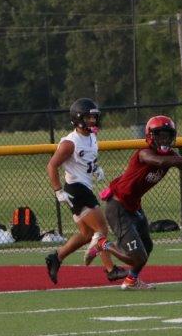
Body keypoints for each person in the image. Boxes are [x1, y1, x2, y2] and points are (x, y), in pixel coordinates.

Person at [101, 115, 182, 290]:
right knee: (138, 257)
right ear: (150, 136)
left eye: (167, 135)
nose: (164, 139)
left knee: (147, 246)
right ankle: (102, 244)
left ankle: (131, 280)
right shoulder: (144, 152)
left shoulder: (171, 155)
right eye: (159, 135)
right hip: (118, 206)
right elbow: (160, 161)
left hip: (134, 206)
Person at [44, 98, 129, 285]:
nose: (93, 121)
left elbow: (87, 159)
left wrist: (96, 168)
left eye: (94, 117)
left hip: (83, 187)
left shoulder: (91, 137)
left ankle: (56, 257)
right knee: (101, 229)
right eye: (89, 118)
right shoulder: (70, 143)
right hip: (76, 189)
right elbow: (51, 166)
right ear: (78, 119)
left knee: (87, 234)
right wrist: (58, 191)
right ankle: (110, 269)